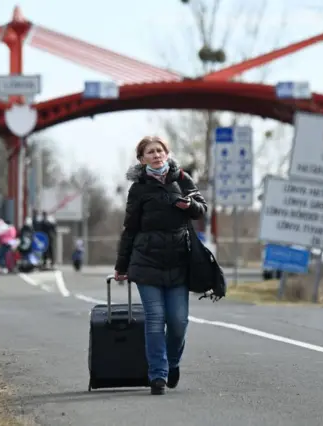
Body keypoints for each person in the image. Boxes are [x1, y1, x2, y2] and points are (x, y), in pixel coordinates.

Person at [114, 135, 207, 396]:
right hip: (146, 262)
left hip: (178, 260)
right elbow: (130, 228)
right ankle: (157, 375)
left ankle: (172, 363)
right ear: (142, 160)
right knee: (155, 319)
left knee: (178, 322)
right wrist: (122, 265)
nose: (156, 155)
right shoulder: (138, 189)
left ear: (167, 154)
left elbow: (201, 208)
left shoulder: (182, 179)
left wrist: (189, 205)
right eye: (150, 152)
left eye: (160, 150)